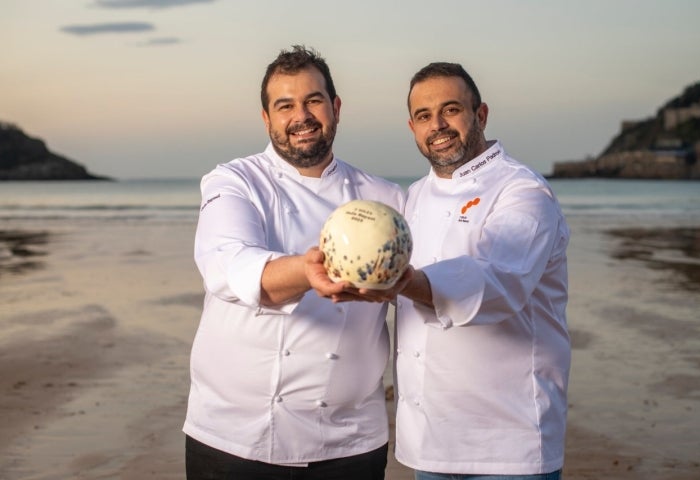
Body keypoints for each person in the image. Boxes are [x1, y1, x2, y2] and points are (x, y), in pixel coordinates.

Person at [182, 45, 405, 480]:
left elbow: (422, 293)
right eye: (285, 105)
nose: (300, 116)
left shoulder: (388, 201)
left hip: (349, 441)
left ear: (336, 108)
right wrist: (309, 272)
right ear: (266, 118)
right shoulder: (235, 180)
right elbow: (226, 264)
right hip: (231, 437)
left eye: (313, 101)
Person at [360, 62, 571, 479]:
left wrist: (411, 283)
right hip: (432, 445)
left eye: (451, 109)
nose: (437, 125)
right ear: (412, 127)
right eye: (424, 116)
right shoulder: (414, 197)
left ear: (481, 114)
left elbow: (501, 280)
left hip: (509, 441)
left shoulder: (522, 192)